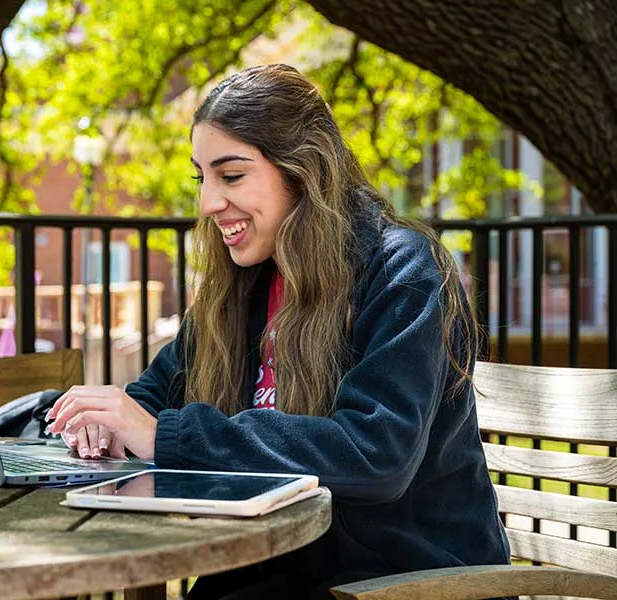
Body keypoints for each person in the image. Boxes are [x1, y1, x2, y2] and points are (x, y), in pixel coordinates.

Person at [45, 64, 511, 599]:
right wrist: (103, 422)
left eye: (232, 175)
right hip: (283, 564)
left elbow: (376, 454)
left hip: (409, 580)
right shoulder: (242, 287)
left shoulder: (402, 270)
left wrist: (165, 436)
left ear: (302, 169)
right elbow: (154, 397)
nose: (208, 203)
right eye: (202, 177)